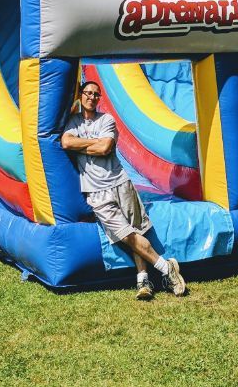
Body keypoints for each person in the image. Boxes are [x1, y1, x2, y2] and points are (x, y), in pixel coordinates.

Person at [62, 80, 186, 300]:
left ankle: (143, 281)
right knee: (126, 235)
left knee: (136, 230)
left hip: (120, 183)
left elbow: (104, 147)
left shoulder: (106, 119)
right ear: (81, 95)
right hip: (96, 191)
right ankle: (166, 268)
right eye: (88, 93)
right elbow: (66, 143)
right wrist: (93, 143)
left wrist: (82, 145)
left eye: (96, 94)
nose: (92, 97)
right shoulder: (73, 122)